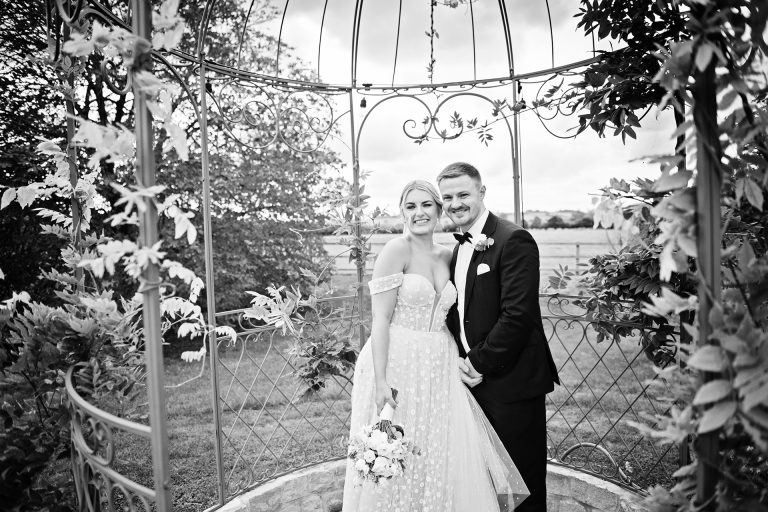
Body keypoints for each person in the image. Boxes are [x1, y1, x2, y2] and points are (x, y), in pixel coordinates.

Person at [342, 180, 529, 512]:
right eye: (411, 206)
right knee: (397, 445)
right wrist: (382, 380)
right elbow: (381, 319)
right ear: (402, 212)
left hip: (439, 363)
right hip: (397, 359)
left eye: (426, 204)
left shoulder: (449, 255)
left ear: (439, 210)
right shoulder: (396, 250)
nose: (419, 213)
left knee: (438, 446)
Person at [437, 162, 560, 512]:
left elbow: (518, 316)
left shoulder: (513, 238)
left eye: (463, 194)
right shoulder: (460, 248)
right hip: (474, 386)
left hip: (512, 383)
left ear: (481, 192)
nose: (455, 203)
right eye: (448, 197)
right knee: (489, 482)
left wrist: (476, 362)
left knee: (522, 483)